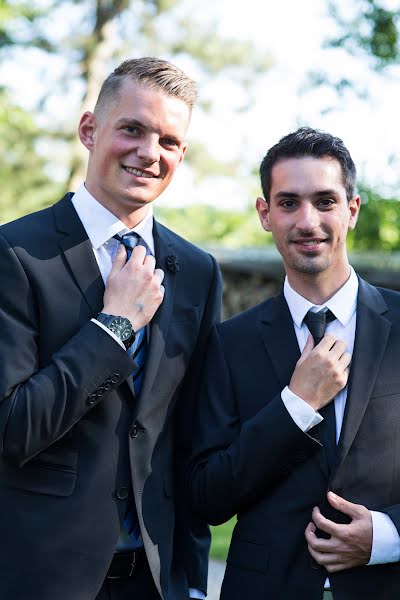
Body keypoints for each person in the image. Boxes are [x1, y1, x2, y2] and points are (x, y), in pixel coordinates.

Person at [0, 57, 221, 600]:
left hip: (157, 581)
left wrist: (190, 581)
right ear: (89, 130)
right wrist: (114, 325)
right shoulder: (15, 255)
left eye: (168, 140)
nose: (150, 152)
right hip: (41, 577)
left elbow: (187, 442)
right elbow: (11, 428)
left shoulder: (196, 272)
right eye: (132, 129)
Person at [189, 127, 400, 600]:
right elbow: (207, 494)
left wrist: (386, 536)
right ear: (265, 213)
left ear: (353, 209)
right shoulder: (228, 343)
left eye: (325, 201)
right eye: (288, 203)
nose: (307, 221)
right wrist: (295, 406)